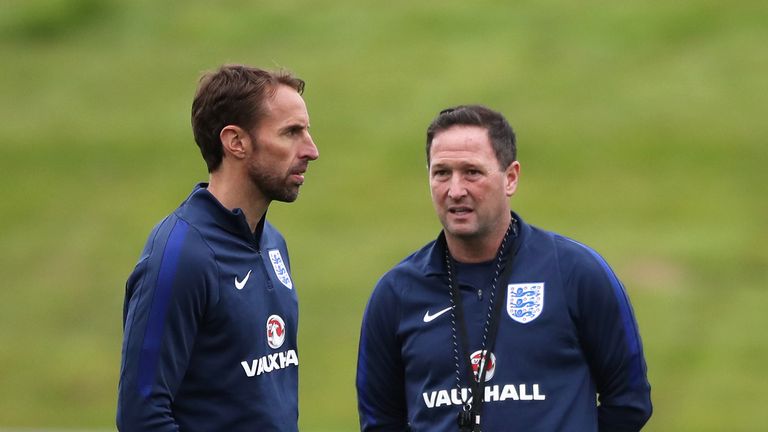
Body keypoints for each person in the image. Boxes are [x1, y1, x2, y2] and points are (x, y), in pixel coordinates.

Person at [356, 105, 652, 431]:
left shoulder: (576, 273)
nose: (455, 190)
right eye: (442, 173)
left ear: (510, 178)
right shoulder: (397, 293)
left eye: (472, 172)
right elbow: (379, 420)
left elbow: (629, 401)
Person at [117, 64, 319, 431]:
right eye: (291, 133)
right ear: (236, 142)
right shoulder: (180, 256)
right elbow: (141, 417)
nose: (311, 150)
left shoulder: (273, 244)